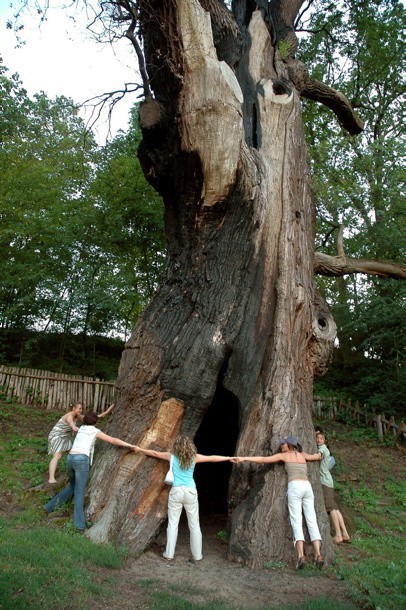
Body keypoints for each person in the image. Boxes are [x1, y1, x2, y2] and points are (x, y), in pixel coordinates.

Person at [134, 436, 232, 563]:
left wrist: (139, 449)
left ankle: (169, 554)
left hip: (176, 491)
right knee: (195, 525)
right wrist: (230, 458)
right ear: (190, 446)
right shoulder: (194, 457)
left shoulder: (171, 456)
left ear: (176, 446)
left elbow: (153, 453)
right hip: (190, 491)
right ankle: (197, 556)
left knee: (173, 524)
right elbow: (212, 458)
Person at [232, 435, 324, 570]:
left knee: (296, 521)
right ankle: (318, 555)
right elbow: (316, 456)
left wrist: (244, 458)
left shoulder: (285, 456)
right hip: (307, 487)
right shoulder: (303, 455)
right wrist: (322, 453)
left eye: (283, 444)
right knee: (312, 520)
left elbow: (264, 459)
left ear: (290, 446)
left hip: (295, 487)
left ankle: (301, 556)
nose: (281, 446)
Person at [44, 411, 135, 532]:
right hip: (81, 460)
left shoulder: (81, 428)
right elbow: (113, 440)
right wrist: (130, 445)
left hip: (70, 459)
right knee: (79, 492)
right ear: (95, 421)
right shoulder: (94, 431)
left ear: (85, 420)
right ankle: (79, 525)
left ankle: (49, 507)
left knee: (72, 486)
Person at [47, 402, 115, 483]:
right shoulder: (69, 416)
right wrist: (73, 427)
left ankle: (73, 473)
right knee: (57, 455)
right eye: (79, 408)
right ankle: (51, 478)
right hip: (56, 436)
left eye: (81, 409)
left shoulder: (77, 416)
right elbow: (70, 422)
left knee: (72, 454)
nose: (81, 410)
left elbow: (94, 418)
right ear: (74, 409)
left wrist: (108, 410)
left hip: (65, 437)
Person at [316, 431, 350, 544]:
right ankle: (345, 533)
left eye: (321, 438)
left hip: (325, 482)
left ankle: (338, 535)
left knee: (331, 509)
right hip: (328, 481)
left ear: (325, 440)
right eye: (317, 438)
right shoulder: (324, 448)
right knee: (335, 508)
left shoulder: (323, 449)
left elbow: (317, 456)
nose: (319, 440)